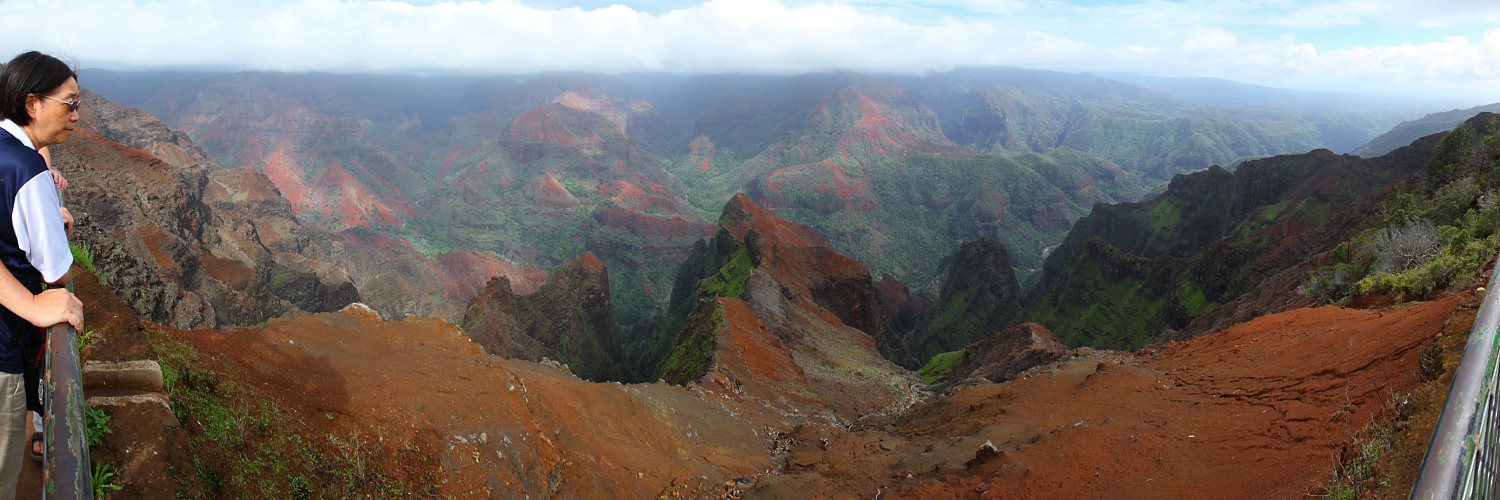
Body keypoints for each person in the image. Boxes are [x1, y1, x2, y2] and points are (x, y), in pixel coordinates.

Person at [0, 51, 84, 499]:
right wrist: (33, 302)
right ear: (32, 103)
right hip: (5, 349)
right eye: (69, 104)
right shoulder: (28, 170)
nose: (76, 116)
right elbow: (59, 269)